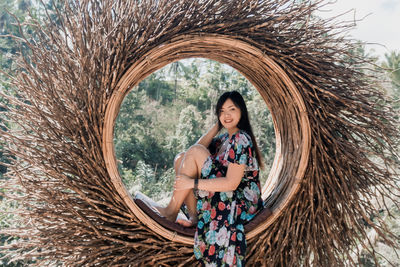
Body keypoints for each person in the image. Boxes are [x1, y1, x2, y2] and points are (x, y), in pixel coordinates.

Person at [157, 91, 264, 266]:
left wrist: (193, 183)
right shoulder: (225, 138)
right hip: (223, 192)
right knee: (180, 158)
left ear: (241, 112)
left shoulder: (241, 139)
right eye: (221, 111)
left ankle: (171, 211)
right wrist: (218, 125)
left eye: (231, 109)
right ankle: (194, 217)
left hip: (239, 200)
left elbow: (232, 183)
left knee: (193, 154)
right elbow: (197, 147)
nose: (226, 115)